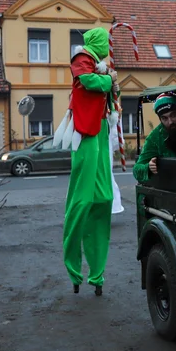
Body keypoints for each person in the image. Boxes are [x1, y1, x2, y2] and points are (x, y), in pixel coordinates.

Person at [61, 26, 117, 296]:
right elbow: (88, 81)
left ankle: (97, 273)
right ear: (97, 41)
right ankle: (73, 267)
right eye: (106, 41)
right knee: (81, 201)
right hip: (84, 131)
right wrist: (107, 80)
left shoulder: (99, 63)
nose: (109, 45)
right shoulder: (82, 58)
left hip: (100, 128)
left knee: (104, 198)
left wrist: (107, 78)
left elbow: (105, 88)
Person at [134, 95, 176, 183]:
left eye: (173, 115)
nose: (170, 122)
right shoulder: (155, 137)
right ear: (160, 119)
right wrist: (148, 167)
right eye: (164, 118)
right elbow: (137, 169)